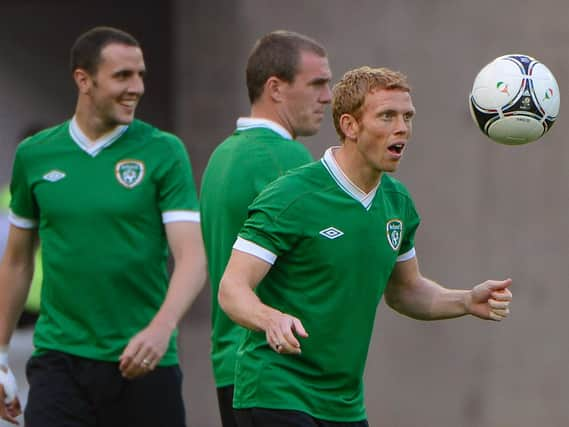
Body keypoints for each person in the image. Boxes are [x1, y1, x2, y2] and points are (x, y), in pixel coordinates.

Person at [218, 66, 513, 427]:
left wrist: (465, 300)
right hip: (277, 390)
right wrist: (271, 319)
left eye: (407, 116)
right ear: (350, 126)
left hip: (344, 404)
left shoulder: (397, 203)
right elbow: (232, 288)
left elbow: (405, 290)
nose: (402, 127)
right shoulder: (291, 196)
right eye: (387, 116)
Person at [0, 26, 206, 427]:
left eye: (141, 74)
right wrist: (0, 354)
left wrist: (161, 328)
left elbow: (193, 255)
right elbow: (17, 262)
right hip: (60, 363)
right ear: (84, 79)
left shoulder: (164, 151)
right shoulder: (35, 155)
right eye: (123, 76)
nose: (137, 87)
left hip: (145, 361)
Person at [200, 30, 332, 427]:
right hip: (279, 370)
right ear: (275, 88)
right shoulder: (285, 158)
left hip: (232, 363)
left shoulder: (223, 154)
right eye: (317, 84)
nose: (327, 96)